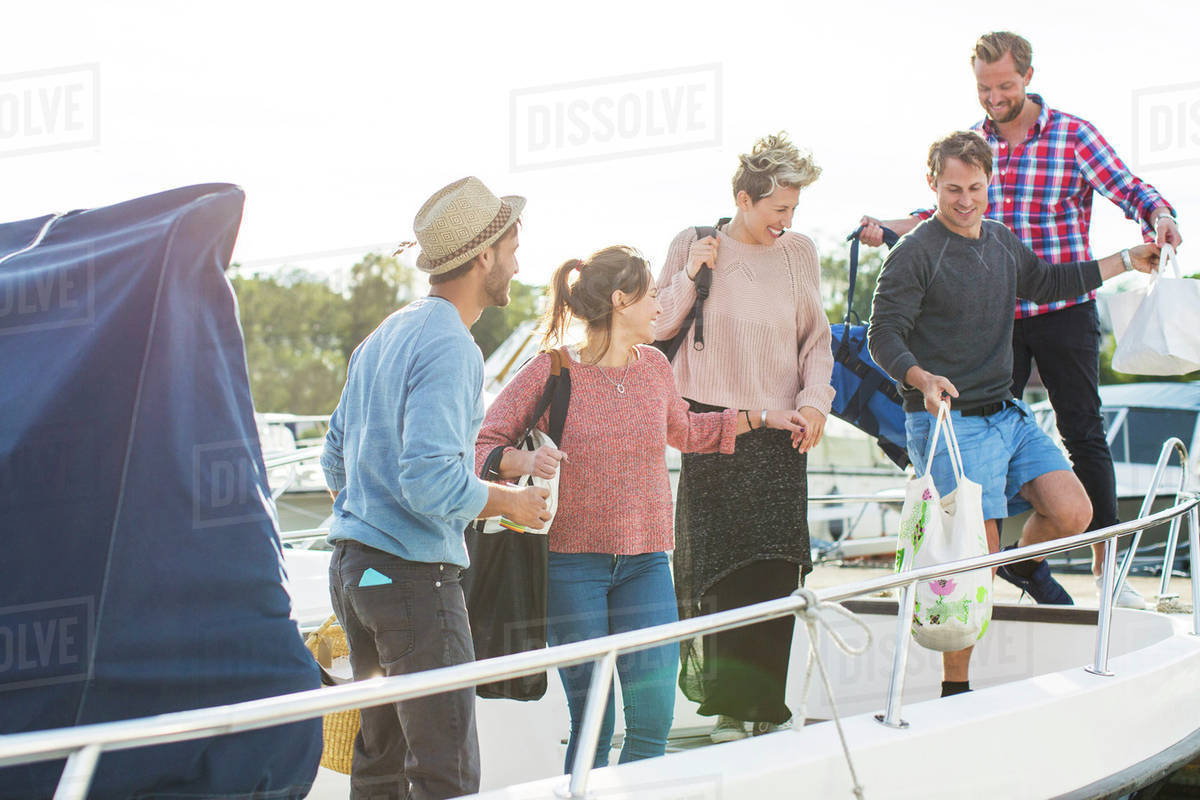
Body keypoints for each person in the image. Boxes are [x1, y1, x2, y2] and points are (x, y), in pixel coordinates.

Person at [858, 31, 1183, 609]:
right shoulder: (975, 144)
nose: (994, 97)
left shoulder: (1071, 136)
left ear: (1028, 77)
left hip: (1061, 305)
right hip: (996, 320)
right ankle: (986, 569)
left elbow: (1129, 189)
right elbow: (944, 210)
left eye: (1005, 85)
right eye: (984, 88)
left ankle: (1099, 570)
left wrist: (1154, 221)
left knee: (1084, 433)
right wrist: (889, 227)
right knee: (974, 439)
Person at [476, 246, 807, 769]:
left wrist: (762, 418)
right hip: (571, 568)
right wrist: (524, 460)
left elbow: (688, 431)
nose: (659, 306)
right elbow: (483, 442)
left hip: (648, 563)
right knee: (594, 724)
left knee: (654, 721)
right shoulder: (553, 369)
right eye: (652, 294)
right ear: (620, 300)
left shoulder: (654, 367)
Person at [868, 130, 1160, 695]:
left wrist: (1126, 259)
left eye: (976, 187)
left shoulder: (1000, 240)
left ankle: (1020, 566)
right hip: (947, 422)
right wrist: (922, 378)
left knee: (1075, 512)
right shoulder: (914, 254)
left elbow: (1051, 281)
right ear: (933, 184)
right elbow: (884, 337)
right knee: (973, 559)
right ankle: (958, 690)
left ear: (989, 183)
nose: (965, 200)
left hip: (1008, 415)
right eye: (953, 188)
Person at [321, 176, 549, 800]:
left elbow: (334, 460)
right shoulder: (451, 344)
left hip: (355, 574)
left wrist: (369, 515)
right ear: (484, 258)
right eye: (512, 247)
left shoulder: (384, 335)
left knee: (380, 761)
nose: (517, 262)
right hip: (413, 582)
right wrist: (513, 502)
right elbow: (429, 481)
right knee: (445, 771)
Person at [654, 132, 834, 742]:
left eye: (793, 210)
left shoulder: (799, 253)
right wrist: (691, 272)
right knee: (718, 573)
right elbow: (654, 324)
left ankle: (763, 711)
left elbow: (816, 342)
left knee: (775, 575)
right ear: (744, 198)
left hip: (783, 431)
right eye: (778, 209)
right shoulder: (692, 241)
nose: (787, 221)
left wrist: (814, 403)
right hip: (712, 426)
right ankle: (729, 710)